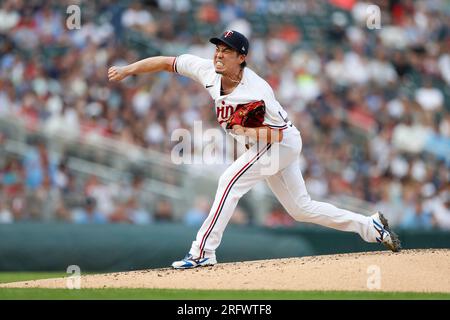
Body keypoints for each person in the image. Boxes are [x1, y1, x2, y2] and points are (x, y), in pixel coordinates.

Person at [108, 30, 401, 269]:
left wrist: (245, 130)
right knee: (301, 209)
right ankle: (371, 226)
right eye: (218, 48)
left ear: (241, 58)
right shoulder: (208, 70)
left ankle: (202, 253)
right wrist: (128, 69)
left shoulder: (256, 91)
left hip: (278, 142)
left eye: (226, 50)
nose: (218, 54)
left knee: (229, 181)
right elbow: (167, 62)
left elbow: (277, 134)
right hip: (267, 144)